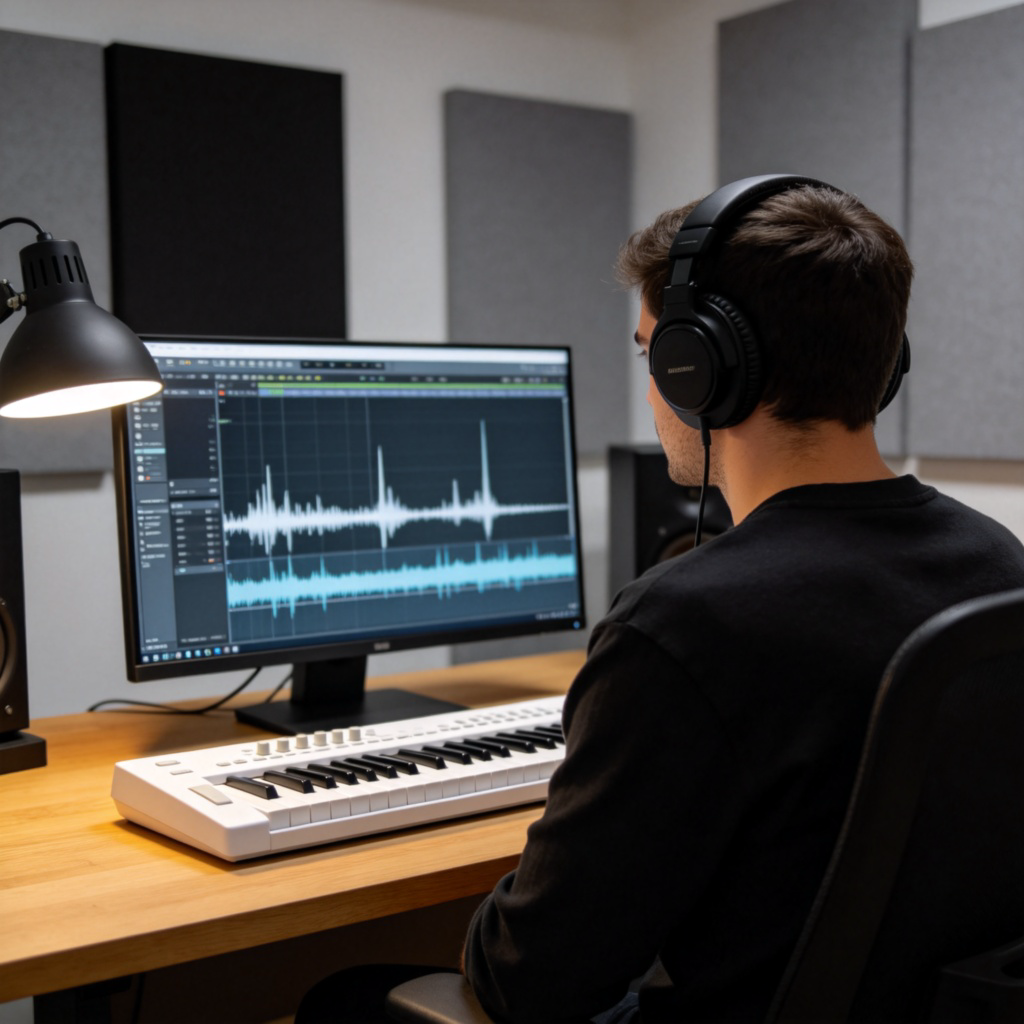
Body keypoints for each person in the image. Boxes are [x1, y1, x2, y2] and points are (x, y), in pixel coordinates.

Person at [297, 177, 1024, 1023]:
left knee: (342, 999)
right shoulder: (998, 562)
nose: (653, 391)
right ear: (883, 363)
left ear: (703, 366)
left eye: (654, 354)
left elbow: (531, 979)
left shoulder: (689, 623)